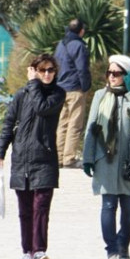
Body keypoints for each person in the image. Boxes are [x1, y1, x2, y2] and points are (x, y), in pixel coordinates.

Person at [0, 54, 65, 259]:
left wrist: (33, 83)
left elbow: (42, 108)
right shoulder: (21, 95)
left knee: (41, 207)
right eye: (42, 70)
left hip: (45, 159)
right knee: (25, 210)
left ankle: (39, 250)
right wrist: (0, 152)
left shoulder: (58, 94)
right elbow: (8, 124)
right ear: (33, 70)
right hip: (22, 159)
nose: (46, 74)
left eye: (50, 70)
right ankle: (27, 250)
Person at [82, 55, 130, 259]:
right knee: (108, 205)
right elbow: (91, 128)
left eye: (117, 73)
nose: (111, 77)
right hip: (106, 161)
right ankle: (111, 250)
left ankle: (123, 246)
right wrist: (88, 157)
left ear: (127, 76)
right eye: (109, 73)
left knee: (129, 209)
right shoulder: (100, 96)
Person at [54, 18, 91, 168]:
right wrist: (86, 86)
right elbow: (82, 69)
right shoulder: (78, 46)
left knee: (62, 123)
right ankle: (69, 158)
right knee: (75, 124)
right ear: (81, 31)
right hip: (75, 88)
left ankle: (58, 157)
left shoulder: (60, 44)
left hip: (61, 88)